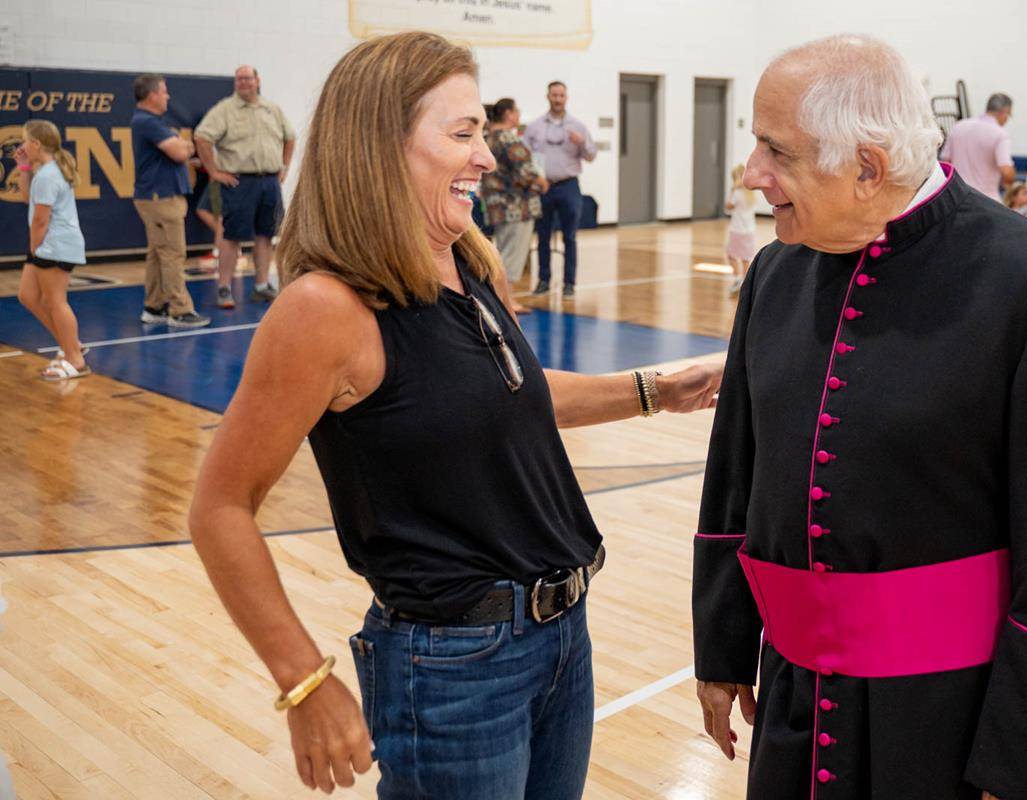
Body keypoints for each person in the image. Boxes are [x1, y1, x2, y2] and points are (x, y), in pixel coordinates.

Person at [188, 32, 723, 799]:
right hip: (452, 667)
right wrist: (303, 682)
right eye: (462, 133)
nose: (486, 155)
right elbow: (219, 508)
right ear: (380, 144)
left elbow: (513, 394)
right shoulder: (324, 310)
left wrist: (651, 390)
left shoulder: (465, 258)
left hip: (562, 635)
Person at [692, 34, 1027, 800]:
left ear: (866, 166)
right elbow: (736, 474)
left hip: (948, 719)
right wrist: (723, 649)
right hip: (793, 699)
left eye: (775, 152)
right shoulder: (774, 273)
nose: (752, 175)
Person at [194, 65, 296, 309]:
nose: (243, 83)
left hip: (269, 181)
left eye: (247, 78)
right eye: (239, 79)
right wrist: (215, 171)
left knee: (265, 234)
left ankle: (261, 286)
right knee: (232, 236)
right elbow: (202, 137)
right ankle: (224, 287)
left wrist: (284, 167)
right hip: (240, 182)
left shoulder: (271, 109)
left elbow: (290, 136)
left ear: (257, 80)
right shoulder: (225, 110)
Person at [130, 73, 212, 329]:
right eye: (164, 92)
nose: (167, 96)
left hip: (155, 197)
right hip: (161, 198)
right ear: (153, 94)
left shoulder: (150, 122)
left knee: (158, 253)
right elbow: (179, 152)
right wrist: (184, 146)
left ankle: (154, 306)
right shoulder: (148, 122)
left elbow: (179, 150)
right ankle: (180, 310)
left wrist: (182, 146)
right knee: (173, 254)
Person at [14, 120, 90, 381]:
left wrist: (35, 249)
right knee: (27, 295)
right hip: (46, 244)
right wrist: (23, 168)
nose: (22, 146)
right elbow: (28, 200)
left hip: (54, 245)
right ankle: (71, 345)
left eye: (25, 141)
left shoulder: (48, 175)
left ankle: (75, 359)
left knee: (56, 302)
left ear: (36, 144)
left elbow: (40, 220)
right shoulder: (44, 171)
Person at [523, 81, 597, 297]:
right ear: (548, 96)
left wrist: (581, 143)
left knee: (570, 237)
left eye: (561, 95)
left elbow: (591, 155)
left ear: (567, 98)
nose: (558, 99)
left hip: (568, 186)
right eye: (554, 95)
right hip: (544, 186)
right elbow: (524, 156)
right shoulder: (535, 126)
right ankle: (544, 280)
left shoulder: (577, 126)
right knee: (543, 235)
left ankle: (569, 284)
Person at [483, 97, 548, 313]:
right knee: (512, 254)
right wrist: (541, 182)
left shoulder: (487, 138)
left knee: (502, 252)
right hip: (515, 207)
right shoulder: (509, 140)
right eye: (517, 111)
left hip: (495, 205)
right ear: (509, 114)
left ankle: (501, 299)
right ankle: (507, 301)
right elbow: (526, 171)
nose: (518, 115)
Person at [939, 92, 1015, 199]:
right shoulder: (1000, 134)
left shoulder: (959, 126)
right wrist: (1010, 180)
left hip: (957, 196)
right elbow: (1006, 171)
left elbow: (944, 162)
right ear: (1004, 112)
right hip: (986, 199)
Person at [725, 163, 757, 294]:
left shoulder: (736, 193)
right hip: (749, 230)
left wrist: (732, 191)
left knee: (731, 254)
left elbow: (728, 206)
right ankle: (744, 280)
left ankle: (737, 277)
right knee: (745, 257)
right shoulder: (751, 194)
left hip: (737, 229)